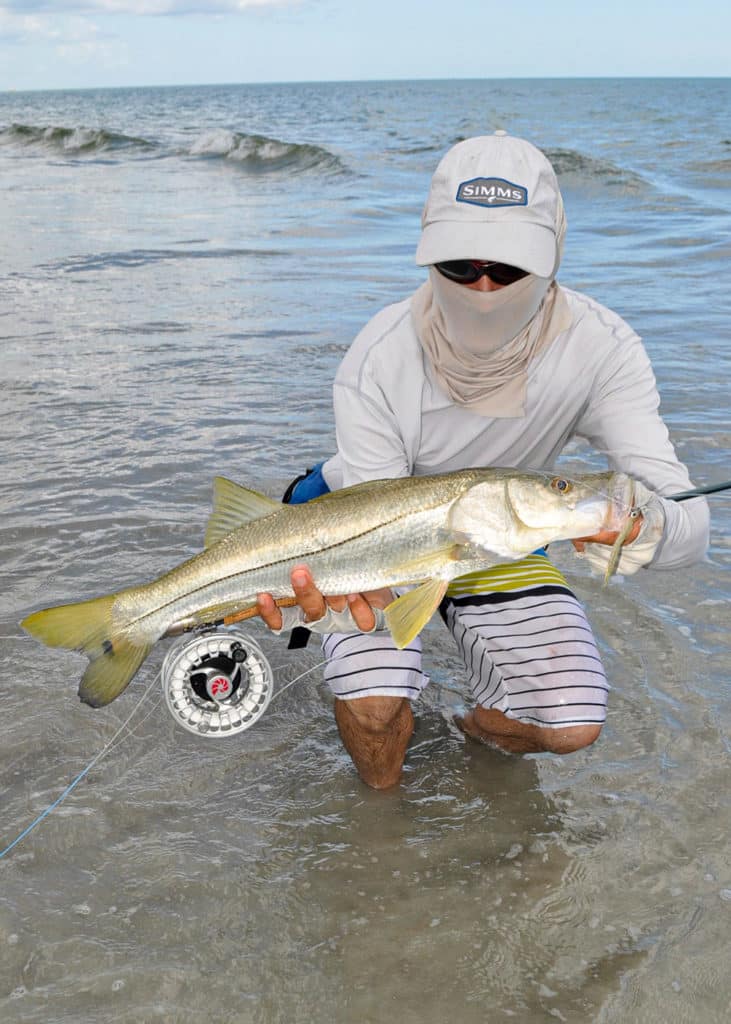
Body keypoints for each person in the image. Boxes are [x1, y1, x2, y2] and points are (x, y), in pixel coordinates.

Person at [256, 132, 710, 790]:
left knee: (571, 725)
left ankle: (473, 727)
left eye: (507, 265)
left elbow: (690, 527)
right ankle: (378, 827)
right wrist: (317, 591)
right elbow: (374, 523)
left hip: (504, 533)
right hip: (357, 531)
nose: (484, 285)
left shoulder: (602, 349)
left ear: (552, 256)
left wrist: (642, 523)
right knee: (377, 705)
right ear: (427, 253)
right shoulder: (379, 354)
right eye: (460, 265)